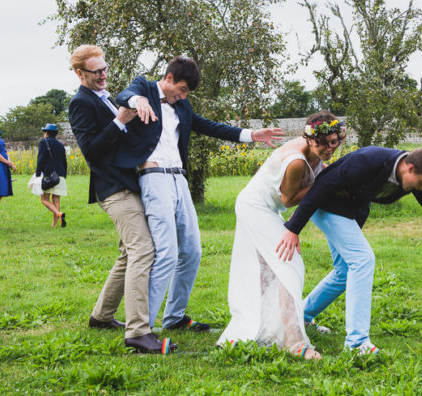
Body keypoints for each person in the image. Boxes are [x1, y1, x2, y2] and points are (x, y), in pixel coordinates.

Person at [114, 56, 283, 333]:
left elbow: (209, 126)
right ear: (168, 78)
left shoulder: (182, 106)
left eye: (186, 93)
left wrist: (252, 134)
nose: (182, 96)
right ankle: (144, 329)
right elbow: (124, 94)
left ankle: (174, 317)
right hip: (154, 178)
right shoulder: (143, 87)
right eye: (180, 90)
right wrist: (137, 102)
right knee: (166, 252)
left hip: (180, 180)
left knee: (192, 251)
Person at [277, 146, 422, 355]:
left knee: (344, 271)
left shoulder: (414, 177)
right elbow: (320, 186)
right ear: (410, 168)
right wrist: (293, 228)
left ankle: (302, 316)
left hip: (348, 212)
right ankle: (357, 343)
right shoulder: (367, 160)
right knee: (362, 260)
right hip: (326, 206)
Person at [68, 44, 174, 355]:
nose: (103, 75)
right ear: (79, 73)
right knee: (143, 249)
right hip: (113, 188)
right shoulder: (80, 103)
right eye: (95, 71)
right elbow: (92, 151)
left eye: (104, 69)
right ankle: (138, 332)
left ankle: (101, 317)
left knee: (129, 253)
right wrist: (120, 121)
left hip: (131, 182)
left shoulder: (107, 97)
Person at [217, 111, 345, 359]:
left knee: (272, 269)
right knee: (289, 263)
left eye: (334, 141)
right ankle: (293, 341)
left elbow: (323, 173)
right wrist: (322, 186)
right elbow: (288, 199)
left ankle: (289, 322)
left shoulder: (317, 154)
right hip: (255, 207)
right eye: (323, 143)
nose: (329, 148)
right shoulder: (297, 162)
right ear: (309, 139)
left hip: (266, 209)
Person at [28, 123, 68, 227]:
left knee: (44, 200)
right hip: (60, 175)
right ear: (55, 134)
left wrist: (38, 173)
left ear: (46, 133)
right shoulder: (60, 145)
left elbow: (41, 159)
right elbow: (64, 161)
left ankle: (59, 214)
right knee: (56, 199)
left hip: (48, 175)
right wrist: (64, 174)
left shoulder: (43, 142)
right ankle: (55, 223)